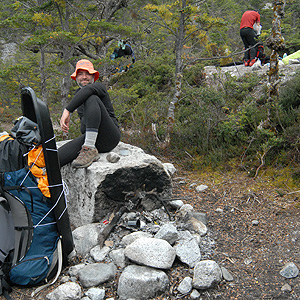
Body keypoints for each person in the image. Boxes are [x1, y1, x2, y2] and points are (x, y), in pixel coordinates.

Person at [58, 59, 121, 168]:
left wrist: (67, 110)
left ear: (93, 77)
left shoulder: (99, 88)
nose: (84, 77)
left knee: (91, 97)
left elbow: (88, 91)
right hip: (92, 139)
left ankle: (90, 148)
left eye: (88, 73)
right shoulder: (78, 95)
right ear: (76, 77)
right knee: (56, 158)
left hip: (110, 137)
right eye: (80, 74)